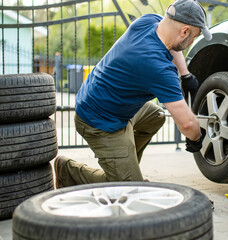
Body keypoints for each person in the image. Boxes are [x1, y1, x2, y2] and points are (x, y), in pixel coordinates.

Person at [54, 0, 212, 188]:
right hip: (99, 121)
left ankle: (124, 163)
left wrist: (185, 75)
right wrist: (196, 138)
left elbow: (171, 44)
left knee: (156, 116)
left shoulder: (149, 22)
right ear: (184, 31)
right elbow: (187, 124)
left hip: (106, 100)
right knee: (129, 188)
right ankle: (68, 171)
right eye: (194, 36)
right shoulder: (158, 68)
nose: (192, 41)